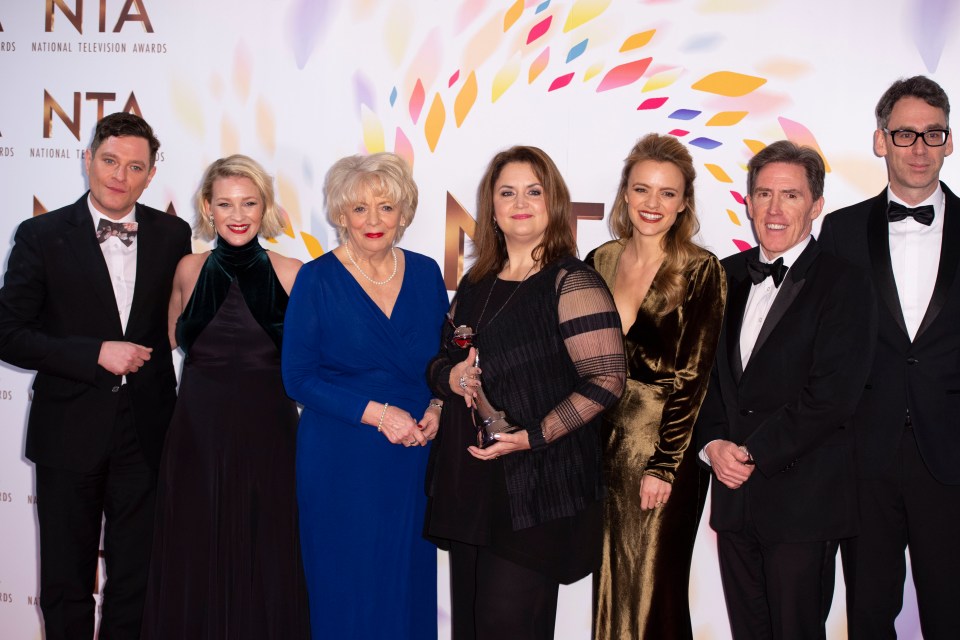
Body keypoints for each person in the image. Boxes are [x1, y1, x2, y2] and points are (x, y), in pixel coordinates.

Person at [0, 113, 191, 639]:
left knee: (138, 579)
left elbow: (181, 319)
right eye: (109, 161)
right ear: (88, 159)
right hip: (69, 431)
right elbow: (9, 333)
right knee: (66, 580)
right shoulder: (40, 235)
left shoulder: (174, 233)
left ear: (150, 175)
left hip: (148, 433)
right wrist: (93, 353)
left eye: (135, 167)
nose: (119, 176)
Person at [424, 145, 627, 640]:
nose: (520, 202)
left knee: (508, 628)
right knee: (471, 629)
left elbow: (607, 379)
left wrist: (533, 436)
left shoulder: (571, 280)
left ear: (553, 202)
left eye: (533, 191)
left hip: (537, 486)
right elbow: (443, 359)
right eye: (507, 192)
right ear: (490, 206)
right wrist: (446, 380)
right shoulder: (476, 282)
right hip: (473, 484)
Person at [695, 140, 877, 639]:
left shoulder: (847, 284)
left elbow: (833, 396)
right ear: (748, 202)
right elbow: (702, 378)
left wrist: (752, 453)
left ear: (816, 205)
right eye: (764, 194)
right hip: (733, 499)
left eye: (791, 196)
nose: (775, 210)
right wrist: (713, 446)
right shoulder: (722, 277)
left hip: (804, 503)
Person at [140, 155, 309, 639]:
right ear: (208, 208)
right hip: (196, 433)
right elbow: (161, 342)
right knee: (195, 545)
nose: (238, 214)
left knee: (267, 547)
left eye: (249, 203)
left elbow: (319, 359)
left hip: (270, 433)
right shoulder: (188, 269)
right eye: (226, 203)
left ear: (264, 208)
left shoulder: (294, 272)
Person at [281, 152, 447, 640]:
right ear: (340, 215)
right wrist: (379, 415)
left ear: (403, 212)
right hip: (342, 456)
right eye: (359, 208)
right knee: (346, 585)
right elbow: (298, 378)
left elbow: (442, 364)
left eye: (386, 207)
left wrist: (438, 407)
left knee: (407, 580)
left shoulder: (426, 272)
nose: (373, 220)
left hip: (413, 454)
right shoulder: (316, 279)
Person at [818, 75, 960, 640]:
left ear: (949, 142)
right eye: (905, 134)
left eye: (934, 134)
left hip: (951, 457)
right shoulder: (840, 230)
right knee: (870, 613)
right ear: (881, 141)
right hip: (863, 457)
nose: (920, 149)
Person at [586, 134, 726, 640]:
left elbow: (694, 377)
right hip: (601, 447)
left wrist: (664, 465)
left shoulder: (700, 270)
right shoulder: (598, 261)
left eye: (667, 193)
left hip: (662, 451)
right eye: (642, 189)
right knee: (612, 588)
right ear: (625, 193)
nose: (652, 204)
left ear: (684, 202)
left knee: (653, 594)